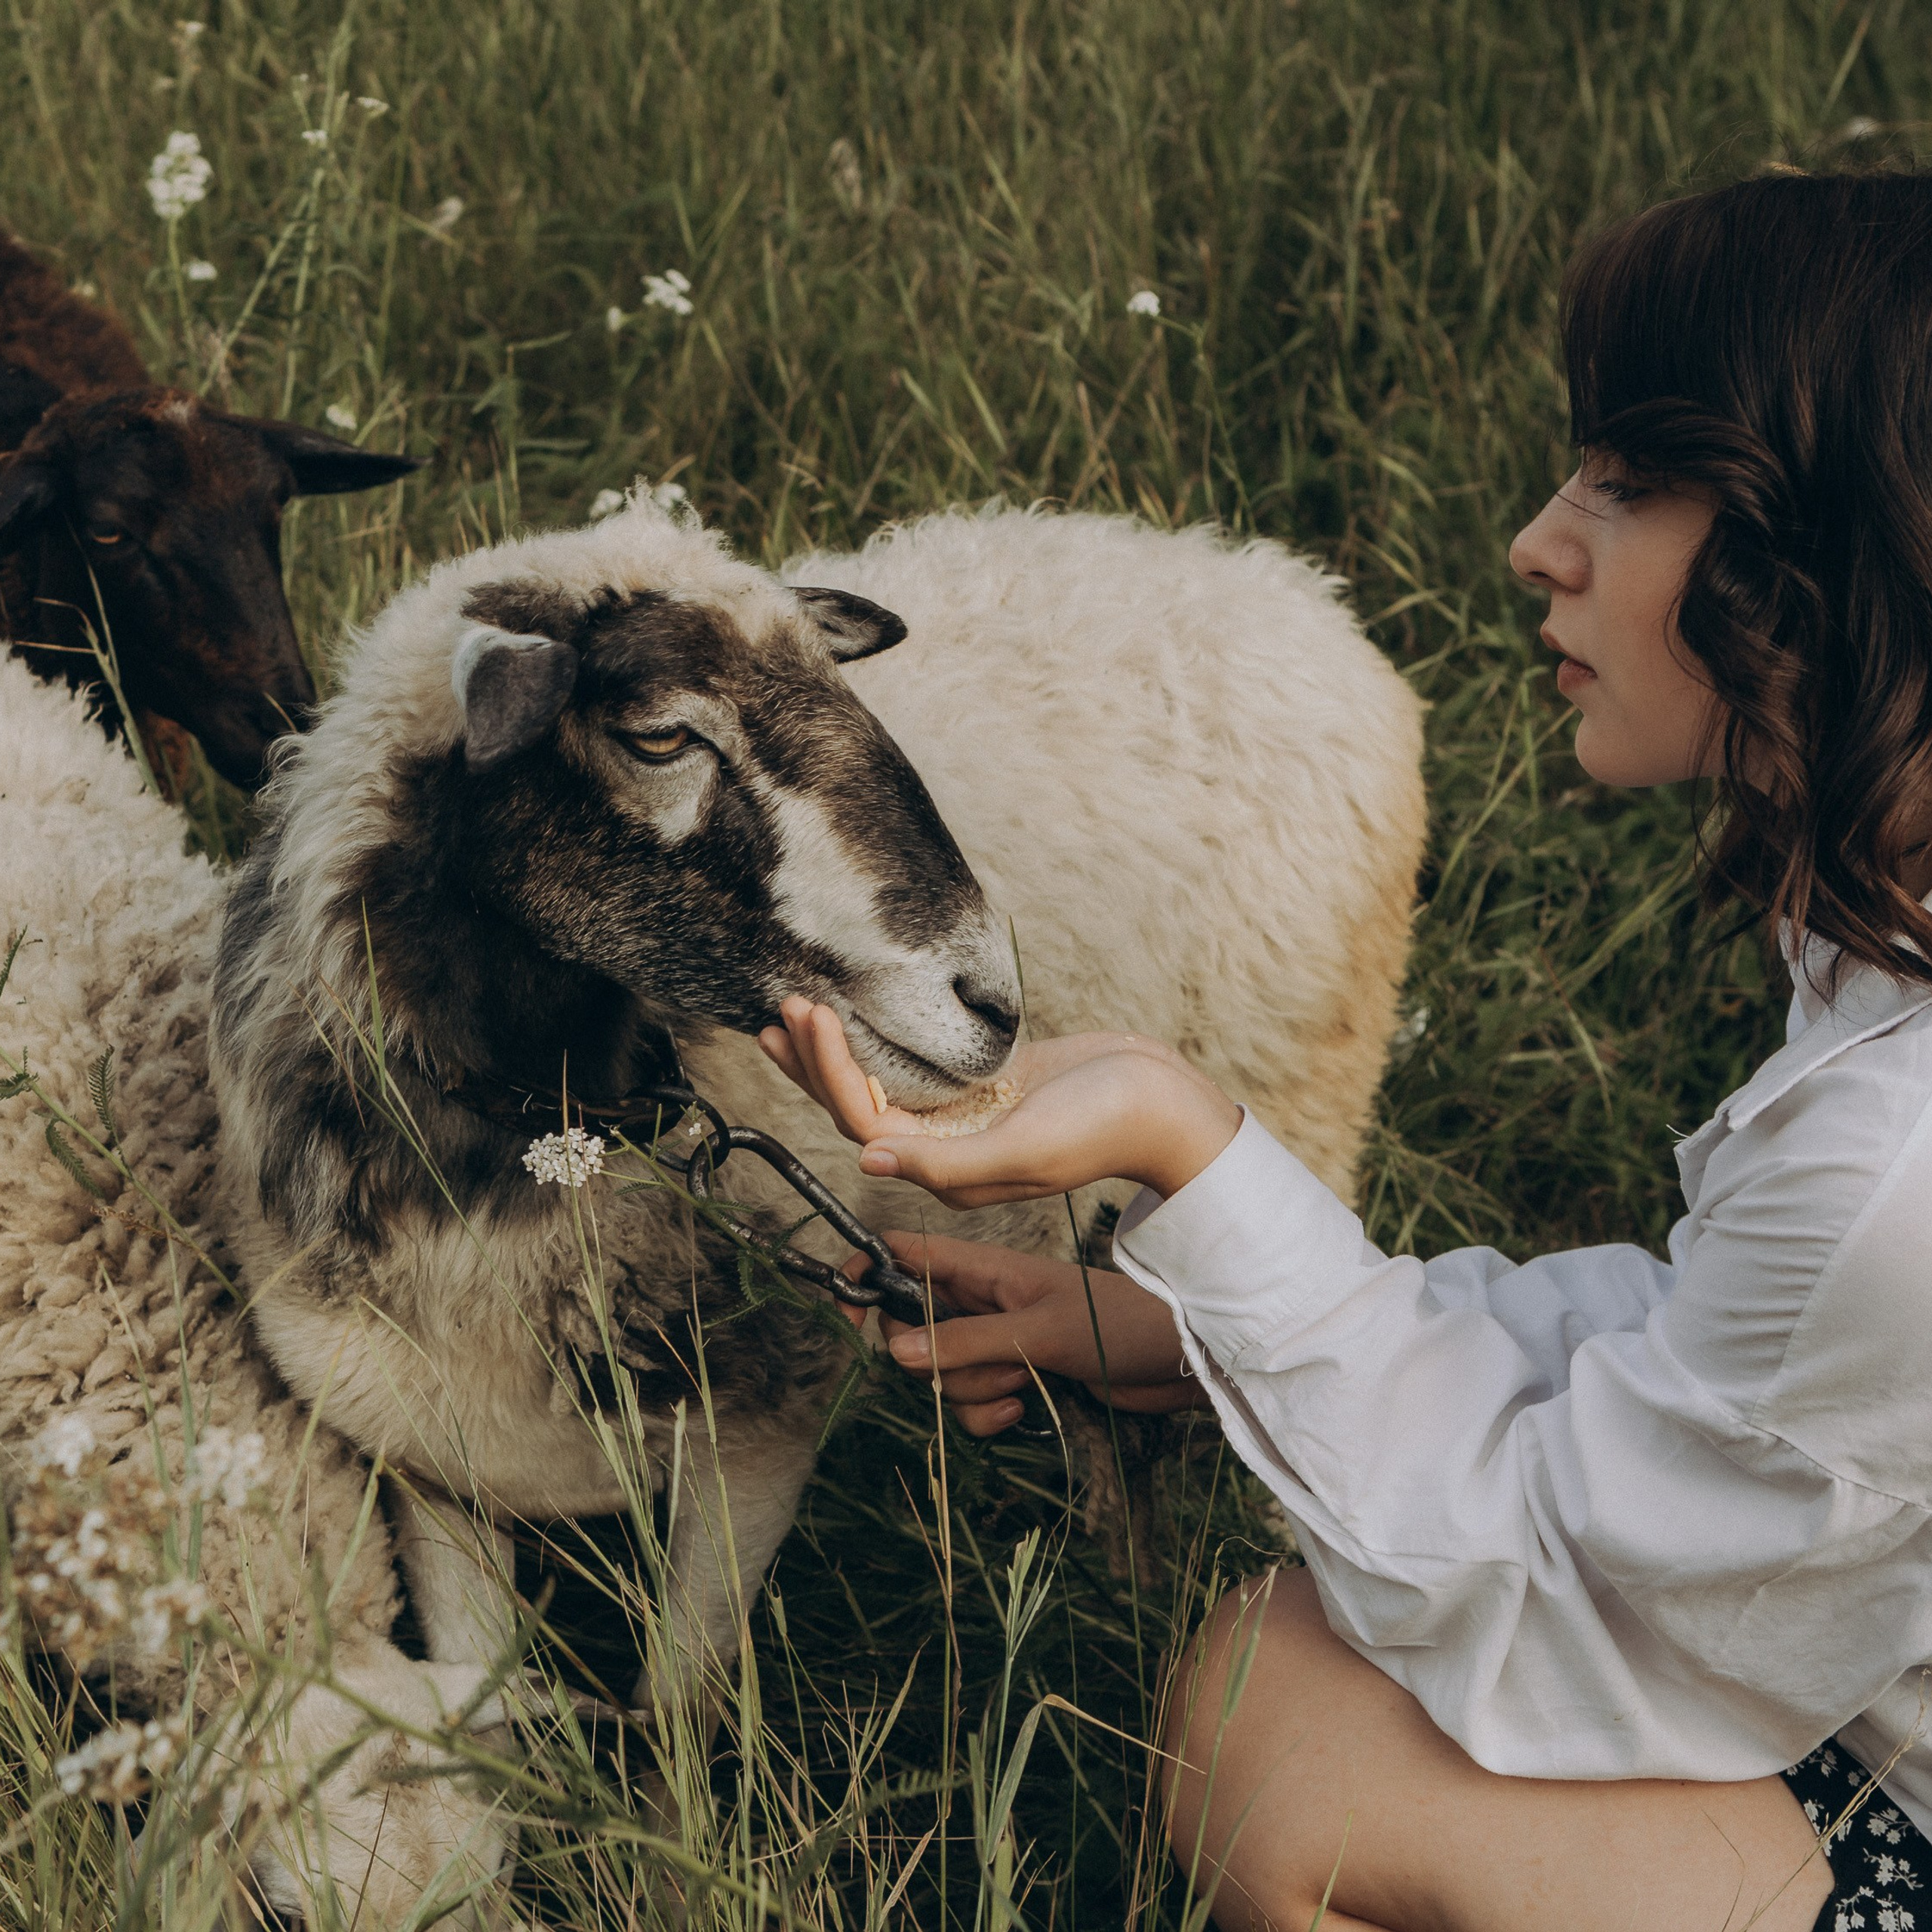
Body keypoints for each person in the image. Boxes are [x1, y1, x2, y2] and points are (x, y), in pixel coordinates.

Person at [761, 171, 1932, 1932]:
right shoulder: (1883, 956)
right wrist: (1191, 1327)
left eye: (1623, 482)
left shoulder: (1891, 1159)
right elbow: (1742, 1377)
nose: (1540, 540)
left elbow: (1552, 1608)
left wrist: (1191, 1148)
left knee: (1281, 1726)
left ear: (1817, 553)